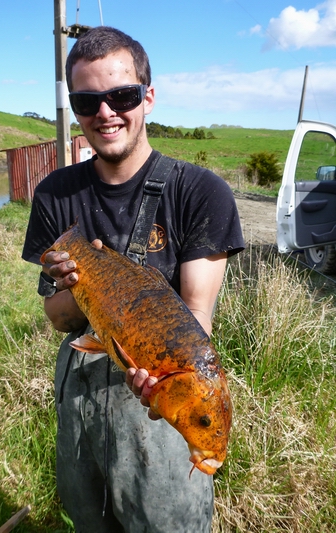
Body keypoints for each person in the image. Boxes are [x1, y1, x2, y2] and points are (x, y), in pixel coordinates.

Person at [22, 26, 244, 533]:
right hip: (79, 403)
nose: (105, 113)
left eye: (120, 95)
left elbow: (196, 321)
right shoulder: (55, 195)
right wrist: (69, 282)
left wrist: (160, 383)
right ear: (75, 108)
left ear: (147, 95)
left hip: (161, 402)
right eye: (87, 100)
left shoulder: (201, 192)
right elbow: (59, 321)